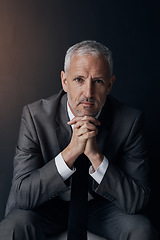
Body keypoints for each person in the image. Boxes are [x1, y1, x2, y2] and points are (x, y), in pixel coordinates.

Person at [0, 40, 158, 240]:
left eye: (98, 81)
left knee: (142, 230)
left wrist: (96, 157)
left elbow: (137, 200)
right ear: (65, 82)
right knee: (10, 229)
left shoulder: (130, 121)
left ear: (110, 84)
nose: (88, 93)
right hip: (48, 205)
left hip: (102, 208)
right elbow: (23, 195)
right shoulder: (35, 117)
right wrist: (71, 152)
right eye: (79, 80)